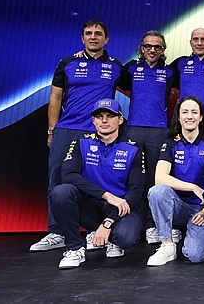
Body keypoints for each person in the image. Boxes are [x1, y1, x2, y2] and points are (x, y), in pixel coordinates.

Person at [30, 20, 122, 253]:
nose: (93, 37)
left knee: (96, 182)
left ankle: (94, 229)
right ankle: (57, 232)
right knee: (57, 180)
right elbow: (55, 98)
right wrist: (52, 129)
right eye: (88, 33)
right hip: (66, 129)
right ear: (82, 38)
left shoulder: (116, 66)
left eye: (98, 33)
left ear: (106, 39)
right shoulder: (67, 63)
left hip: (98, 132)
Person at [50, 99, 144, 269]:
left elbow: (136, 191)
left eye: (110, 116)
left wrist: (108, 222)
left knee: (125, 238)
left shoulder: (133, 148)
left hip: (121, 209)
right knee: (61, 192)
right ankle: (75, 248)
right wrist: (106, 195)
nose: (104, 120)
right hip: (90, 206)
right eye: (99, 116)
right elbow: (68, 175)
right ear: (93, 121)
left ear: (120, 120)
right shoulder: (81, 142)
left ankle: (110, 238)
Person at [119, 30, 178, 245]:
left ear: (163, 50)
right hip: (133, 129)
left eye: (157, 47)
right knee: (133, 178)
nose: (152, 50)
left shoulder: (171, 72)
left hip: (159, 131)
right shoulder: (129, 69)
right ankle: (131, 223)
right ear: (141, 48)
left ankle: (154, 225)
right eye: (148, 46)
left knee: (156, 180)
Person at [146, 96, 204, 266]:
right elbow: (159, 177)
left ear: (201, 117)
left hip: (201, 210)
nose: (189, 116)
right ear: (178, 117)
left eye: (194, 112)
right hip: (177, 206)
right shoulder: (170, 144)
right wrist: (192, 187)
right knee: (157, 191)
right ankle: (167, 245)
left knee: (195, 255)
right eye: (185, 112)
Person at [171, 28, 204, 145]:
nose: (199, 43)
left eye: (203, 39)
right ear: (191, 43)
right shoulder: (179, 63)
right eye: (196, 39)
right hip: (185, 121)